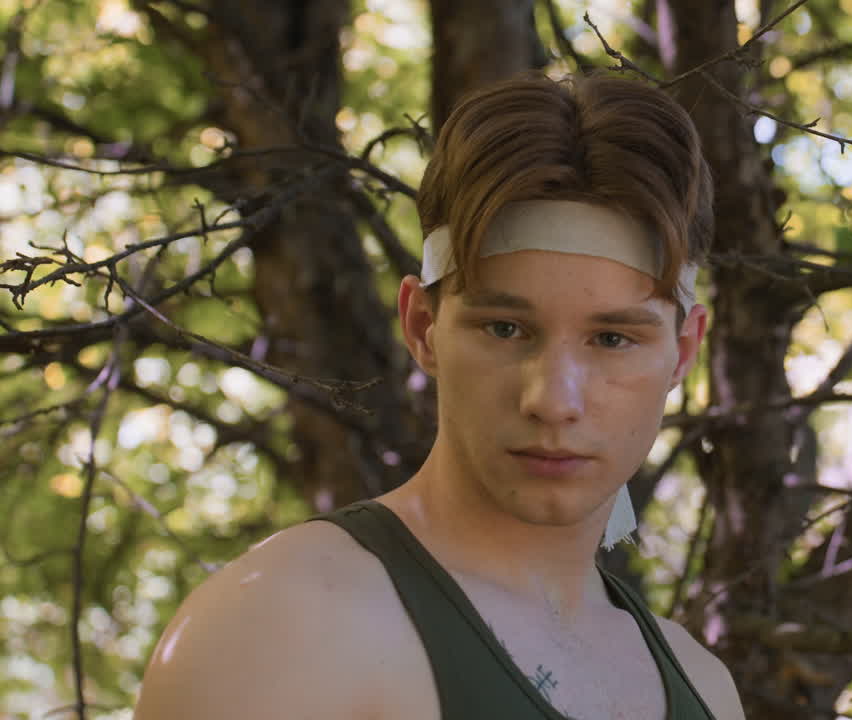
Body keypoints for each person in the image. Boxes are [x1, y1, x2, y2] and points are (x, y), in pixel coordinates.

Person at [134, 72, 746, 720]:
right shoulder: (286, 629)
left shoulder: (703, 686)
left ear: (682, 350)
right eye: (505, 328)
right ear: (423, 326)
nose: (553, 400)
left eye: (613, 339)